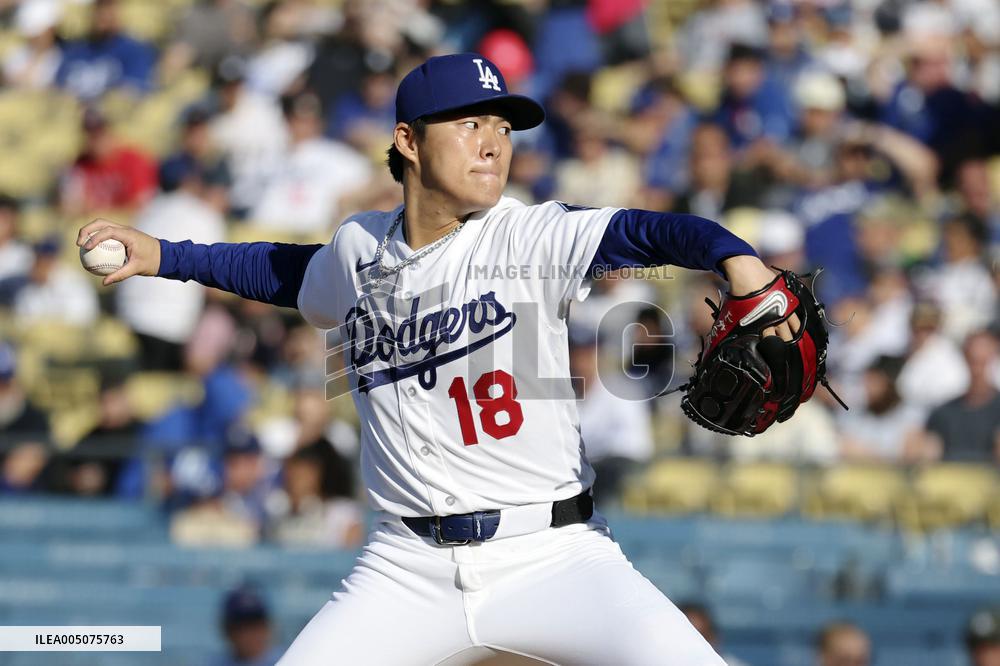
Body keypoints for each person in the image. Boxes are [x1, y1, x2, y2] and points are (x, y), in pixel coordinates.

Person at [78, 52, 802, 665]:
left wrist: (733, 259)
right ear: (410, 141)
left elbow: (649, 232)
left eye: (501, 125)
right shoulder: (358, 247)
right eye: (470, 123)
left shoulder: (528, 236)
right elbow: (284, 270)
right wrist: (164, 255)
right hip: (404, 567)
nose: (494, 142)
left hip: (554, 553)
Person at [211, 585, 284, 666]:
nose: (249, 634)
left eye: (255, 623)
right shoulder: (215, 663)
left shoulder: (290, 659)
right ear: (227, 630)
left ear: (267, 626)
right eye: (241, 626)